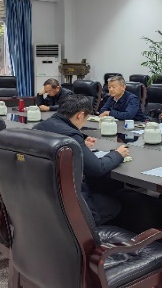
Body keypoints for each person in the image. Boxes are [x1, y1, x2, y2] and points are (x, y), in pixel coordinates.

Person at [33, 94, 130, 225]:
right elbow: (98, 168)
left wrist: (80, 143)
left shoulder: (39, 127)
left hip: (45, 198)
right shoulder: (71, 135)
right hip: (73, 206)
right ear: (80, 115)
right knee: (115, 204)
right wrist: (118, 154)